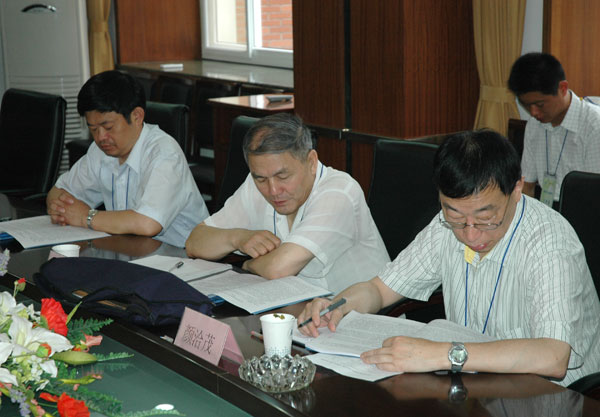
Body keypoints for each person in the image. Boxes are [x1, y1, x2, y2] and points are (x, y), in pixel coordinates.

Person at [298, 130, 600, 387]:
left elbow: (553, 356)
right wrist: (338, 305)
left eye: (486, 219)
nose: (470, 234)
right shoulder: (445, 225)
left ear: (517, 188)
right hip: (473, 384)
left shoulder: (550, 244)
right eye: (455, 217)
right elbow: (379, 289)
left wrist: (443, 353)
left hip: (553, 396)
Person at [185, 113, 389, 294]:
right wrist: (237, 238)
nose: (273, 190)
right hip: (293, 306)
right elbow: (194, 243)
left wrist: (248, 265)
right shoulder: (256, 183)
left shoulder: (340, 192)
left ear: (311, 162)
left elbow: (278, 269)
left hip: (356, 316)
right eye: (261, 179)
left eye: (283, 176)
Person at [46, 70, 208, 248]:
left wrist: (86, 217)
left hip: (182, 256)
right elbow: (58, 192)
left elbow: (148, 224)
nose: (100, 137)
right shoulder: (100, 151)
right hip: (130, 251)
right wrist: (60, 209)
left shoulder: (164, 155)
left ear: (137, 116)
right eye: (93, 129)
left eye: (108, 127)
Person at [508, 52, 600, 208]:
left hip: (584, 210)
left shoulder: (594, 126)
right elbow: (527, 186)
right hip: (546, 208)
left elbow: (594, 195)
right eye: (526, 105)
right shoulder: (534, 125)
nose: (533, 112)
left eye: (540, 104)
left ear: (562, 88)